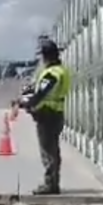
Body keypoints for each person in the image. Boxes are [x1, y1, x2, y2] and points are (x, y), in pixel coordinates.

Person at [18, 39, 71, 195]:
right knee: (53, 150)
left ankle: (50, 185)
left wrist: (27, 102)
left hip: (47, 114)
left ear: (46, 56)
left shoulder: (51, 73)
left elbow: (42, 93)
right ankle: (54, 182)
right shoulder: (62, 70)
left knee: (48, 151)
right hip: (56, 113)